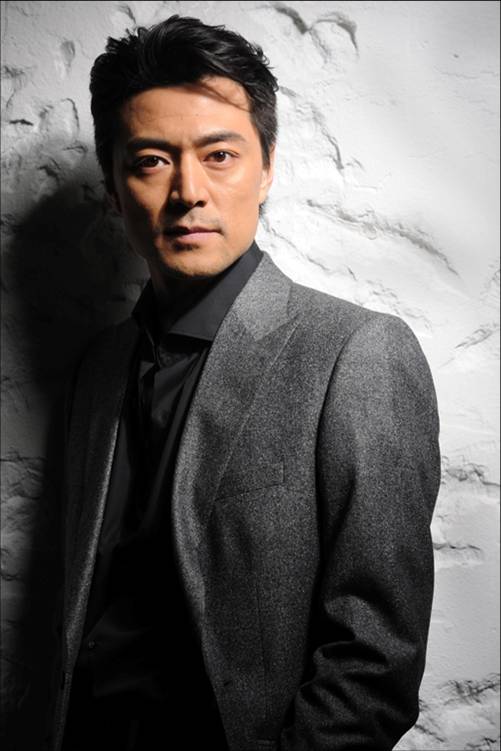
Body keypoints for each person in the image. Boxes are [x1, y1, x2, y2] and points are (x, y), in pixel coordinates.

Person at [48, 14, 441, 751]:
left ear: (265, 170)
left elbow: (374, 664)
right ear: (114, 189)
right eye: (151, 160)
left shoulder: (356, 354)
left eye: (220, 155)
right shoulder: (96, 371)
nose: (188, 191)